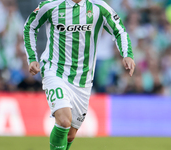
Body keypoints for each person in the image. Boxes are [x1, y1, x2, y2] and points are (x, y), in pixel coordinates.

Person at [23, 0, 135, 149]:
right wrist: (32, 58)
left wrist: (127, 54)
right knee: (63, 121)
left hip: (83, 80)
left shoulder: (98, 7)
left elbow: (119, 30)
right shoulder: (51, 5)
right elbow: (30, 26)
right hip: (55, 72)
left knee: (70, 134)